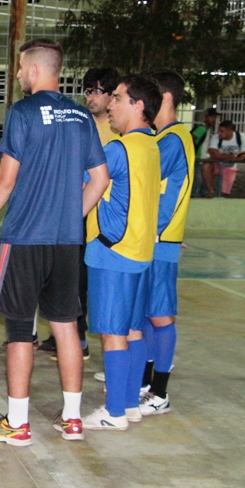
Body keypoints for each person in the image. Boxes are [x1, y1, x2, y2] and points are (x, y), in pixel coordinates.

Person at [0, 39, 109, 446]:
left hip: (26, 237)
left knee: (20, 328)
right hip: (68, 241)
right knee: (66, 326)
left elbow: (6, 177)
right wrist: (71, 217)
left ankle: (17, 423)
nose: (16, 75)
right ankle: (72, 420)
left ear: (33, 71)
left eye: (19, 68)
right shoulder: (83, 116)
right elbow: (100, 180)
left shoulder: (23, 112)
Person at [81, 74, 162, 432]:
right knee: (132, 330)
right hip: (142, 251)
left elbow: (85, 185)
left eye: (117, 98)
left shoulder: (118, 149)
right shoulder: (151, 146)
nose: (111, 105)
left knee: (112, 333)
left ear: (138, 105)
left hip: (112, 250)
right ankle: (129, 404)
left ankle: (113, 412)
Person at [38, 65, 119, 360]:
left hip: (101, 215)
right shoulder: (81, 121)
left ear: (112, 95)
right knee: (65, 273)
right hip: (75, 209)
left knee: (85, 277)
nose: (90, 97)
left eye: (96, 90)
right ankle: (66, 330)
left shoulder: (117, 129)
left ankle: (79, 337)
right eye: (87, 91)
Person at [136, 70, 194, 417]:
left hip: (158, 240)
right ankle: (144, 382)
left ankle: (160, 392)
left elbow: (150, 185)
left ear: (166, 97)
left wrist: (162, 231)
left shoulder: (172, 140)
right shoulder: (165, 137)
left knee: (159, 315)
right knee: (146, 313)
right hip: (153, 239)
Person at [202, 119, 245, 198]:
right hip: (217, 164)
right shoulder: (216, 138)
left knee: (225, 193)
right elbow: (213, 154)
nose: (219, 133)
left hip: (230, 166)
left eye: (222, 131)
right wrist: (230, 157)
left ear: (230, 131)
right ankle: (210, 190)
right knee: (206, 166)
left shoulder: (241, 137)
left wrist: (241, 158)